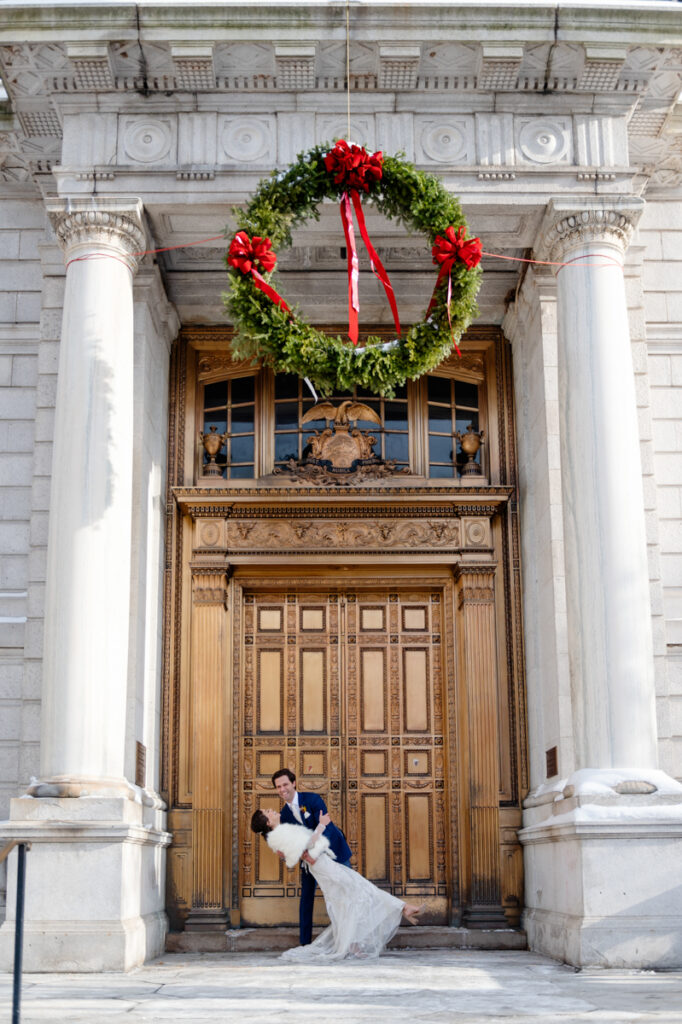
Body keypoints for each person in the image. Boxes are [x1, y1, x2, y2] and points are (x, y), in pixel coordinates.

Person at [251, 805, 424, 962]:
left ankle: (352, 943)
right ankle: (402, 907)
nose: (271, 810)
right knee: (359, 888)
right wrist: (322, 825)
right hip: (322, 866)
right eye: (267, 812)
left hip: (321, 864)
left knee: (343, 900)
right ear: (267, 822)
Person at [271, 767, 352, 945]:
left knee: (347, 894)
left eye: (285, 784)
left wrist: (316, 853)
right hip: (309, 860)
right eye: (278, 787)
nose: (282, 789)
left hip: (334, 852)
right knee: (306, 898)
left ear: (293, 783)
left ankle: (351, 941)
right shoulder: (283, 814)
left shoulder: (312, 799)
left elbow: (328, 827)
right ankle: (305, 943)